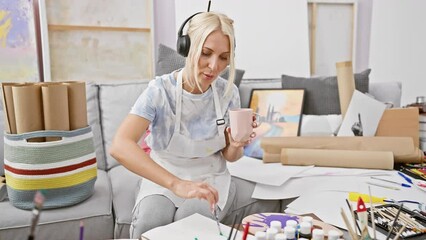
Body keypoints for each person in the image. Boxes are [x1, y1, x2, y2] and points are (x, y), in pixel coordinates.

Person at [110, 11, 280, 238]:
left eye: (223, 57)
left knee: (191, 225)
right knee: (150, 222)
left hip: (209, 179)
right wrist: (177, 184)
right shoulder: (160, 91)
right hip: (164, 176)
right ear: (187, 47)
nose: (214, 66)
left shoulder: (228, 93)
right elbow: (120, 146)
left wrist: (237, 144)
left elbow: (230, 156)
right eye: (206, 53)